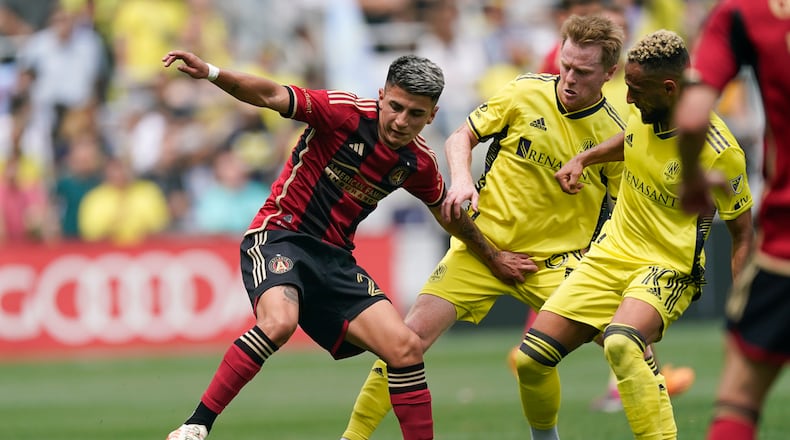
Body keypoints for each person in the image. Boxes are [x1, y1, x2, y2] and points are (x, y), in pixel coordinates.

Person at [161, 51, 530, 440]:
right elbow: (270, 95)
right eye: (396, 107)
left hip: (334, 259)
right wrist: (213, 73)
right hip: (280, 236)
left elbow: (447, 213)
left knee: (405, 348)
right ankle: (196, 425)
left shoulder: (417, 162)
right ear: (381, 95)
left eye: (415, 114)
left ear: (432, 116)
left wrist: (493, 257)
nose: (402, 121)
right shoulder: (342, 113)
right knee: (279, 323)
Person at [340, 14, 627, 440]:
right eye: (564, 65)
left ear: (609, 73)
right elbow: (461, 137)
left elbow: (623, 215)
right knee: (404, 342)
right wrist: (461, 178)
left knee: (627, 344)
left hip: (555, 264)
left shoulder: (614, 136)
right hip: (481, 249)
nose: (567, 78)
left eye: (581, 72)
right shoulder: (526, 91)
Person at [515, 29, 754, 439]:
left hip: (668, 267)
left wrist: (743, 314)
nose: (627, 98)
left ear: (669, 88)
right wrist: (584, 158)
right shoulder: (643, 110)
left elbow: (743, 235)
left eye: (636, 90)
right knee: (530, 361)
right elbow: (629, 141)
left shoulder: (719, 150)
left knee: (622, 344)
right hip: (610, 256)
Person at [674, 1, 790, 438]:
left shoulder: (744, 12)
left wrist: (692, 178)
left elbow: (690, 117)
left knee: (739, 401)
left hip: (784, 248)